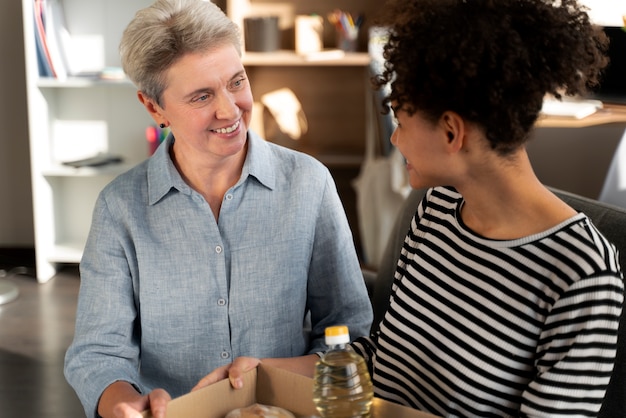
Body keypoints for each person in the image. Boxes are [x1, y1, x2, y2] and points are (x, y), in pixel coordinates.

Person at [197, 0, 625, 416]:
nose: (395, 139)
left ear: (452, 132)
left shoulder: (582, 274)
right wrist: (263, 368)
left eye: (400, 120)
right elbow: (382, 358)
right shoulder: (437, 210)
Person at [63, 0, 373, 417]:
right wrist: (123, 405)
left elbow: (349, 336)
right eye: (202, 96)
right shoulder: (120, 208)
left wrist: (271, 375)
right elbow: (98, 354)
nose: (229, 110)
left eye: (237, 82)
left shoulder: (309, 183)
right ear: (154, 108)